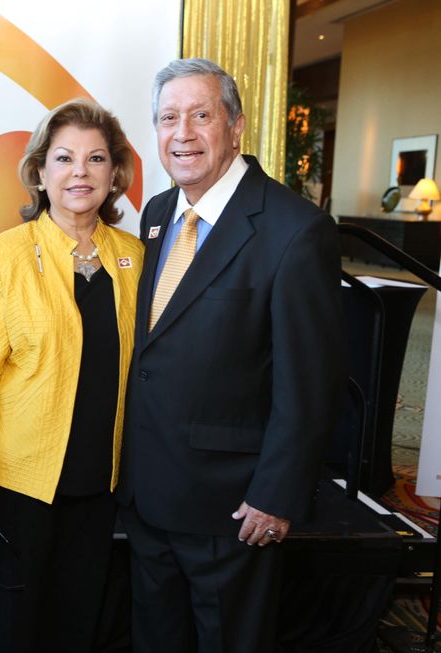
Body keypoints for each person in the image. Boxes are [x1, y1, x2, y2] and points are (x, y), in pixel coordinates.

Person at [114, 58, 344, 653]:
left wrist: (277, 492)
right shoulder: (158, 214)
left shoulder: (295, 230)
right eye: (168, 118)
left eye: (200, 115)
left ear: (236, 126)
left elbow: (310, 381)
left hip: (232, 506)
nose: (182, 133)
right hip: (149, 495)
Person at [0, 98, 143, 652]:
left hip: (100, 484)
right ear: (40, 172)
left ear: (115, 173)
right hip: (20, 484)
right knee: (13, 630)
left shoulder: (135, 258)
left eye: (96, 158)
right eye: (64, 158)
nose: (80, 172)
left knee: (75, 628)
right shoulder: (3, 255)